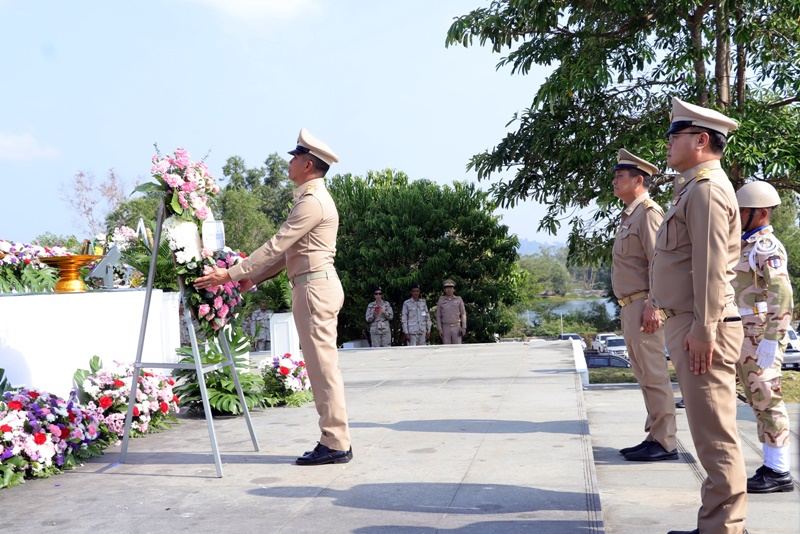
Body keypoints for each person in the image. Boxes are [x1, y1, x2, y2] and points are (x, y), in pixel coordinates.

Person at [194, 128, 352, 466]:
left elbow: (276, 244)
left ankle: (336, 442)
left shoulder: (312, 202)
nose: (291, 162)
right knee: (322, 368)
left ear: (308, 165)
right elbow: (288, 253)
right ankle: (334, 439)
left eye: (295, 157)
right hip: (313, 286)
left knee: (323, 370)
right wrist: (252, 278)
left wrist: (231, 273)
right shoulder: (310, 199)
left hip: (314, 289)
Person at [651, 98, 747, 534]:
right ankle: (717, 524)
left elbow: (710, 268)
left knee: (716, 437)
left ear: (701, 139)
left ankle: (724, 529)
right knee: (709, 434)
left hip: (702, 324)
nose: (668, 144)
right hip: (691, 322)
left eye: (675, 136)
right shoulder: (693, 187)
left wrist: (704, 330)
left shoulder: (707, 189)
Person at [611, 149, 678, 462]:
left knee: (654, 375)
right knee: (643, 375)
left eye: (619, 176)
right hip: (630, 306)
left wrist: (656, 305)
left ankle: (665, 443)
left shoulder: (649, 213)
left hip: (643, 305)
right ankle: (654, 434)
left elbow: (659, 263)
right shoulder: (630, 215)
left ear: (638, 180)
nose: (614, 180)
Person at [734, 181, 794, 493]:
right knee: (757, 402)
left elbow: (782, 292)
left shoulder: (765, 247)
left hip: (758, 334)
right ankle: (771, 464)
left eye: (743, 210)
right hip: (743, 332)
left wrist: (774, 337)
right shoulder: (744, 244)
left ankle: (779, 471)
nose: (738, 215)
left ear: (761, 213)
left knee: (768, 400)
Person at [436, 279, 466, 344]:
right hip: (445, 327)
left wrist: (463, 327)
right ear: (444, 290)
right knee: (446, 349)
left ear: (454, 289)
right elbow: (438, 315)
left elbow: (463, 313)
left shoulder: (458, 299)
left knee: (457, 348)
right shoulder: (441, 300)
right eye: (447, 288)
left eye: (450, 288)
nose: (449, 290)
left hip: (456, 327)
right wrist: (439, 329)